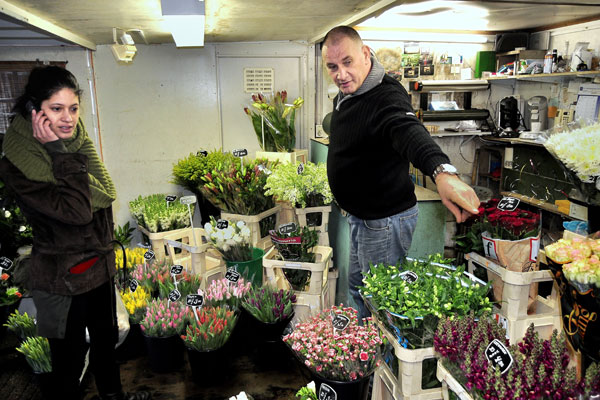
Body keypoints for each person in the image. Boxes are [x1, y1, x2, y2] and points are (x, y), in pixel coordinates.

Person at [0, 66, 150, 400]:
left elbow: (107, 191)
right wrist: (58, 152)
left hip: (97, 267)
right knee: (67, 365)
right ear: (34, 110)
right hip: (60, 280)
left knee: (105, 348)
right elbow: (80, 210)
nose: (68, 118)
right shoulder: (19, 164)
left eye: (73, 108)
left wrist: (65, 156)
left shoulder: (76, 137)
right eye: (56, 109)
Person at [322, 26, 481, 319]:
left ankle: (382, 359)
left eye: (347, 62)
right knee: (360, 290)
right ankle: (365, 355)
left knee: (379, 302)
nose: (340, 74)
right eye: (332, 67)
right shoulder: (347, 94)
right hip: (362, 216)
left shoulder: (387, 95)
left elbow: (408, 130)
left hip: (383, 220)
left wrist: (442, 172)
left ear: (365, 54)